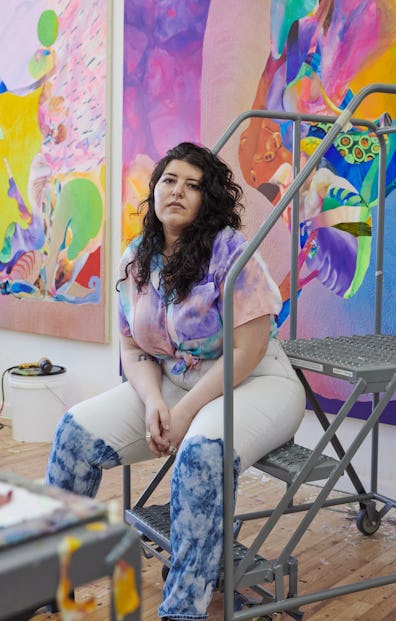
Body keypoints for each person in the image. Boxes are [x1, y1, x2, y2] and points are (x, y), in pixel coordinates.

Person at [46, 142, 306, 620]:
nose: (178, 191)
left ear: (208, 199)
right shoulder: (136, 258)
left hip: (255, 381)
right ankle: (48, 578)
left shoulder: (232, 251)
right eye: (170, 181)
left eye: (193, 185)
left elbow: (247, 352)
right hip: (172, 380)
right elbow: (133, 346)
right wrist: (151, 401)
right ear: (155, 189)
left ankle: (182, 611)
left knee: (201, 453)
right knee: (73, 435)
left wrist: (184, 414)